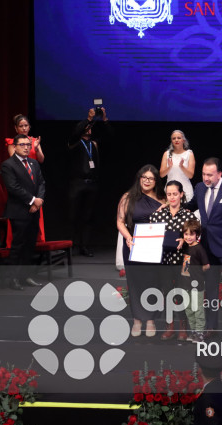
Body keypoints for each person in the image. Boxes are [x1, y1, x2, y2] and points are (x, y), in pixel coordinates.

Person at [185, 158, 222, 342]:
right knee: (210, 291)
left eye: (210, 175)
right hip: (207, 251)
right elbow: (192, 206)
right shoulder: (200, 187)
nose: (206, 178)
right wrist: (174, 205)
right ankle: (212, 327)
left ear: (219, 174)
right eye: (203, 174)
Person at [117, 164, 165, 337]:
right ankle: (137, 320)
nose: (147, 181)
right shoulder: (128, 197)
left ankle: (151, 320)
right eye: (144, 177)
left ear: (156, 181)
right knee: (135, 283)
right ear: (139, 178)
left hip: (154, 247)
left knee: (152, 282)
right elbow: (120, 221)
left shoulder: (162, 198)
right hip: (133, 246)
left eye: (151, 178)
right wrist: (128, 237)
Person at [149, 180, 198, 341]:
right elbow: (150, 235)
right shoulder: (158, 215)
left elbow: (196, 238)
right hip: (164, 260)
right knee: (168, 292)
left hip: (184, 261)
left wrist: (186, 240)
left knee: (182, 293)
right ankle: (169, 326)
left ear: (181, 194)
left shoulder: (189, 215)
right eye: (169, 194)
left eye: (175, 194)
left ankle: (183, 326)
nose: (172, 197)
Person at [0, 134, 46, 290]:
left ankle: (25, 275)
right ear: (15, 146)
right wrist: (32, 200)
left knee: (30, 245)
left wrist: (38, 201)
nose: (27, 147)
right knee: (18, 245)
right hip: (19, 211)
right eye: (23, 144)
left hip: (34, 211)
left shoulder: (34, 163)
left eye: (28, 144)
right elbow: (13, 188)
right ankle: (12, 278)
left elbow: (41, 183)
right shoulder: (8, 165)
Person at [68, 107, 112, 256]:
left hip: (92, 183)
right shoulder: (75, 143)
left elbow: (110, 136)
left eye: (90, 127)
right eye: (86, 127)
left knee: (88, 217)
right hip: (77, 183)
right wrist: (88, 119)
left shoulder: (94, 144)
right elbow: (75, 133)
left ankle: (84, 246)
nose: (89, 129)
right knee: (74, 215)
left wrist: (104, 119)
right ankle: (71, 245)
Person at [179, 219, 210, 343]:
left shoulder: (199, 249)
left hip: (197, 284)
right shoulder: (186, 247)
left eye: (191, 234)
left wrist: (197, 271)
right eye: (186, 234)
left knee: (198, 309)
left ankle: (200, 333)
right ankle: (193, 332)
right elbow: (185, 266)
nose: (188, 237)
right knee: (188, 309)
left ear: (197, 235)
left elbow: (207, 265)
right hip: (186, 284)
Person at [159, 130, 196, 201]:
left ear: (183, 140)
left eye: (179, 138)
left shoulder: (189, 154)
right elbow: (161, 175)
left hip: (185, 190)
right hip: (170, 190)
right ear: (171, 141)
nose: (176, 140)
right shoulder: (166, 154)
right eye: (174, 138)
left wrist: (182, 167)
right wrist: (169, 167)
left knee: (185, 211)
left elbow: (191, 175)